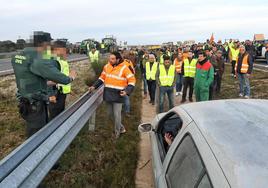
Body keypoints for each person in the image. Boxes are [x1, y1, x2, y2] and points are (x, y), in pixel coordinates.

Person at [11, 31, 76, 138]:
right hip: (35, 103)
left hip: (24, 98)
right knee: (37, 134)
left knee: (32, 128)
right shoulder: (38, 58)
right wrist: (71, 77)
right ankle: (36, 153)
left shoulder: (18, 55)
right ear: (44, 43)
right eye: (49, 43)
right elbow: (61, 78)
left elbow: (30, 76)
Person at [89, 52, 136, 139]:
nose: (110, 60)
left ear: (118, 59)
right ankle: (121, 128)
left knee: (117, 115)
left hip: (118, 95)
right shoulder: (107, 66)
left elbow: (132, 80)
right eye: (110, 58)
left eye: (112, 59)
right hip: (108, 94)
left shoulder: (124, 68)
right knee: (110, 114)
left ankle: (117, 133)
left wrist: (126, 91)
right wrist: (94, 86)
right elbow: (101, 78)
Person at [48, 39, 74, 120]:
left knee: (60, 114)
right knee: (54, 115)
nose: (66, 51)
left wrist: (68, 89)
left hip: (62, 91)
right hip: (55, 93)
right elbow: (47, 78)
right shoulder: (52, 60)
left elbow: (63, 75)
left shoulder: (62, 60)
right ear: (58, 49)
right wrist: (51, 94)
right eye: (64, 49)